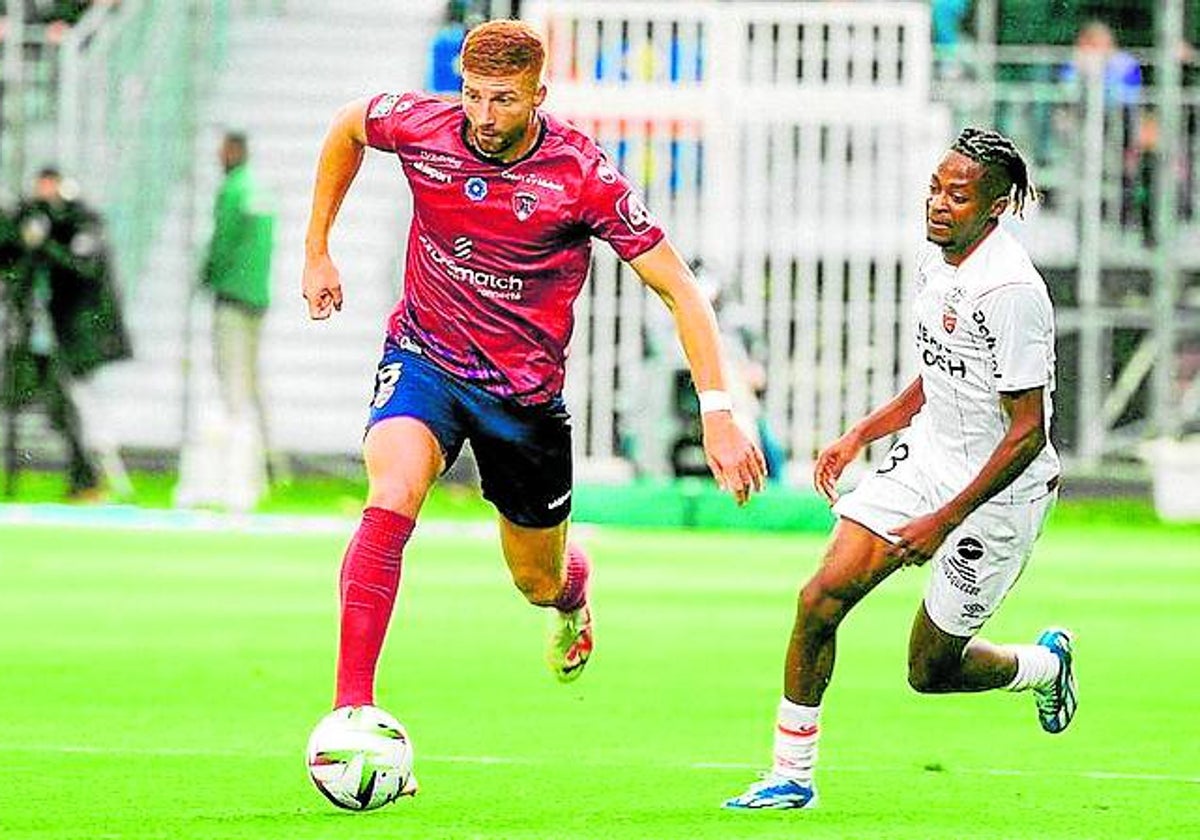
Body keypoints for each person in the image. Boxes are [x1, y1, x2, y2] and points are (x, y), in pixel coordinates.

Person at [301, 18, 765, 736]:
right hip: (424, 358)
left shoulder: (581, 174)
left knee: (536, 580)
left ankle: (574, 600)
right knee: (391, 495)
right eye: (474, 96)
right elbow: (347, 126)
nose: (484, 117)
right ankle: (350, 711)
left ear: (538, 95)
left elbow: (678, 288)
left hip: (522, 401)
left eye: (505, 100)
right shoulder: (424, 126)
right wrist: (318, 250)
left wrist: (719, 411)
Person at [724, 127, 1076, 811]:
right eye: (935, 189)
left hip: (998, 493)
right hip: (926, 460)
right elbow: (942, 370)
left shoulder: (1009, 290)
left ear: (997, 208)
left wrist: (943, 521)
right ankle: (790, 774)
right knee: (820, 598)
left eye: (959, 195)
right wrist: (864, 430)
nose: (939, 205)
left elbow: (1027, 433)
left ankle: (1044, 666)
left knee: (931, 670)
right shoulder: (937, 261)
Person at [1, 166, 131, 500]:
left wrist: (44, 244)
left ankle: (92, 478)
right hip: (55, 335)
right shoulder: (39, 221)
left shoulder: (80, 222)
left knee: (78, 404)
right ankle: (88, 477)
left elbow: (83, 267)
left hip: (84, 336)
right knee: (65, 404)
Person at [198, 130, 279, 491]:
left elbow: (223, 241)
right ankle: (267, 464)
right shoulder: (260, 188)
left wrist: (207, 276)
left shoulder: (232, 189)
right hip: (257, 295)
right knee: (252, 379)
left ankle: (237, 474)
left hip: (232, 295)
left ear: (233, 151)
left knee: (232, 385)